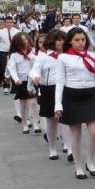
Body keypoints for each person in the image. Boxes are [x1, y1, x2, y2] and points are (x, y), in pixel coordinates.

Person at [55, 27, 95, 180]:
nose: (81, 43)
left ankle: (90, 161)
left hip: (89, 97)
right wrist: (58, 104)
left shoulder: (92, 55)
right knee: (76, 135)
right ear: (70, 41)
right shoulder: (63, 58)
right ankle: (78, 167)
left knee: (94, 131)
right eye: (77, 40)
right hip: (71, 97)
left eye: (83, 39)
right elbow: (60, 81)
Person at [30, 29, 72, 161]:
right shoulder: (43, 57)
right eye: (58, 40)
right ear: (52, 42)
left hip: (65, 89)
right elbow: (34, 70)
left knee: (65, 119)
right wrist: (36, 76)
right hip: (49, 90)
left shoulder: (69, 55)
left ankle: (69, 147)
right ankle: (52, 148)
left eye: (63, 39)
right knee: (52, 121)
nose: (61, 42)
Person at [7, 33, 40, 134]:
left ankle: (35, 124)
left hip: (32, 80)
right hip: (21, 81)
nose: (25, 42)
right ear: (17, 43)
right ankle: (25, 124)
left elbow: (39, 65)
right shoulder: (14, 55)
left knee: (34, 103)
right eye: (22, 40)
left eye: (26, 39)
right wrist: (16, 79)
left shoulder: (33, 52)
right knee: (23, 104)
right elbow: (11, 68)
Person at [0, 16, 20, 95]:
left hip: (13, 52)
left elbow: (20, 43)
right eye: (7, 22)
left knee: (13, 69)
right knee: (4, 69)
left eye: (10, 22)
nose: (9, 24)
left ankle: (14, 87)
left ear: (13, 23)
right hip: (3, 51)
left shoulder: (17, 32)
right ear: (5, 23)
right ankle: (6, 86)